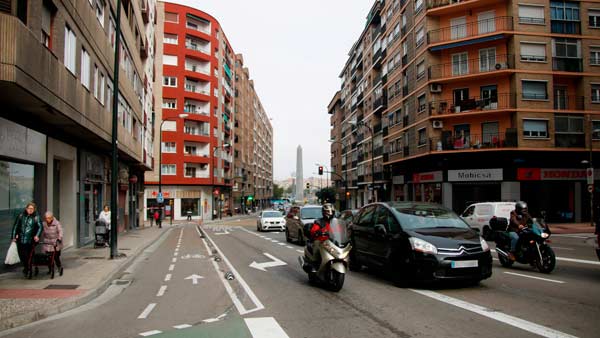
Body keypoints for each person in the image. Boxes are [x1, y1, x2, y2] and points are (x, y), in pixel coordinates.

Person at [11, 202, 42, 276]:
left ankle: (29, 268)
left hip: (30, 240)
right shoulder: (21, 216)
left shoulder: (36, 217)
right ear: (26, 209)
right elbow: (15, 226)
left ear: (34, 209)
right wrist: (13, 237)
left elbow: (40, 227)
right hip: (21, 240)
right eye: (29, 208)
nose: (30, 210)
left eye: (32, 209)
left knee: (29, 255)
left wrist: (37, 236)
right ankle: (26, 267)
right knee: (22, 255)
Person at [303, 204, 336, 271]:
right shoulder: (319, 221)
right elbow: (313, 230)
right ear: (323, 212)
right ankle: (314, 264)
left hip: (331, 241)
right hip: (321, 241)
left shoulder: (335, 221)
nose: (329, 213)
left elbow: (339, 230)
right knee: (316, 246)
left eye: (331, 211)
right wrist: (318, 232)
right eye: (327, 211)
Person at [42, 211, 64, 276]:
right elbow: (41, 230)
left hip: (55, 242)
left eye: (49, 218)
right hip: (47, 242)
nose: (47, 219)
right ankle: (50, 269)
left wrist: (59, 238)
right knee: (48, 258)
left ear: (52, 217)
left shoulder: (57, 223)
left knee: (56, 257)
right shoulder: (44, 224)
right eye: (46, 218)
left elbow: (61, 231)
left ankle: (59, 267)